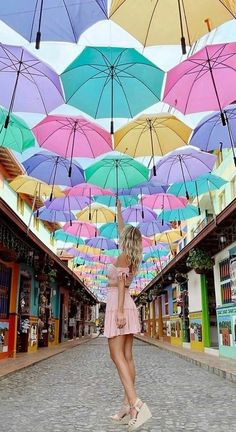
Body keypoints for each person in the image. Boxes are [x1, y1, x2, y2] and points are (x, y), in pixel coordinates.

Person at [104, 200, 152, 431]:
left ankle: (135, 404)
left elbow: (121, 286)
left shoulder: (123, 257)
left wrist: (120, 311)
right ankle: (126, 405)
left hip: (119, 304)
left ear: (126, 241)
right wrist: (119, 211)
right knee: (127, 356)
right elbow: (122, 228)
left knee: (116, 355)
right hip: (125, 304)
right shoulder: (131, 257)